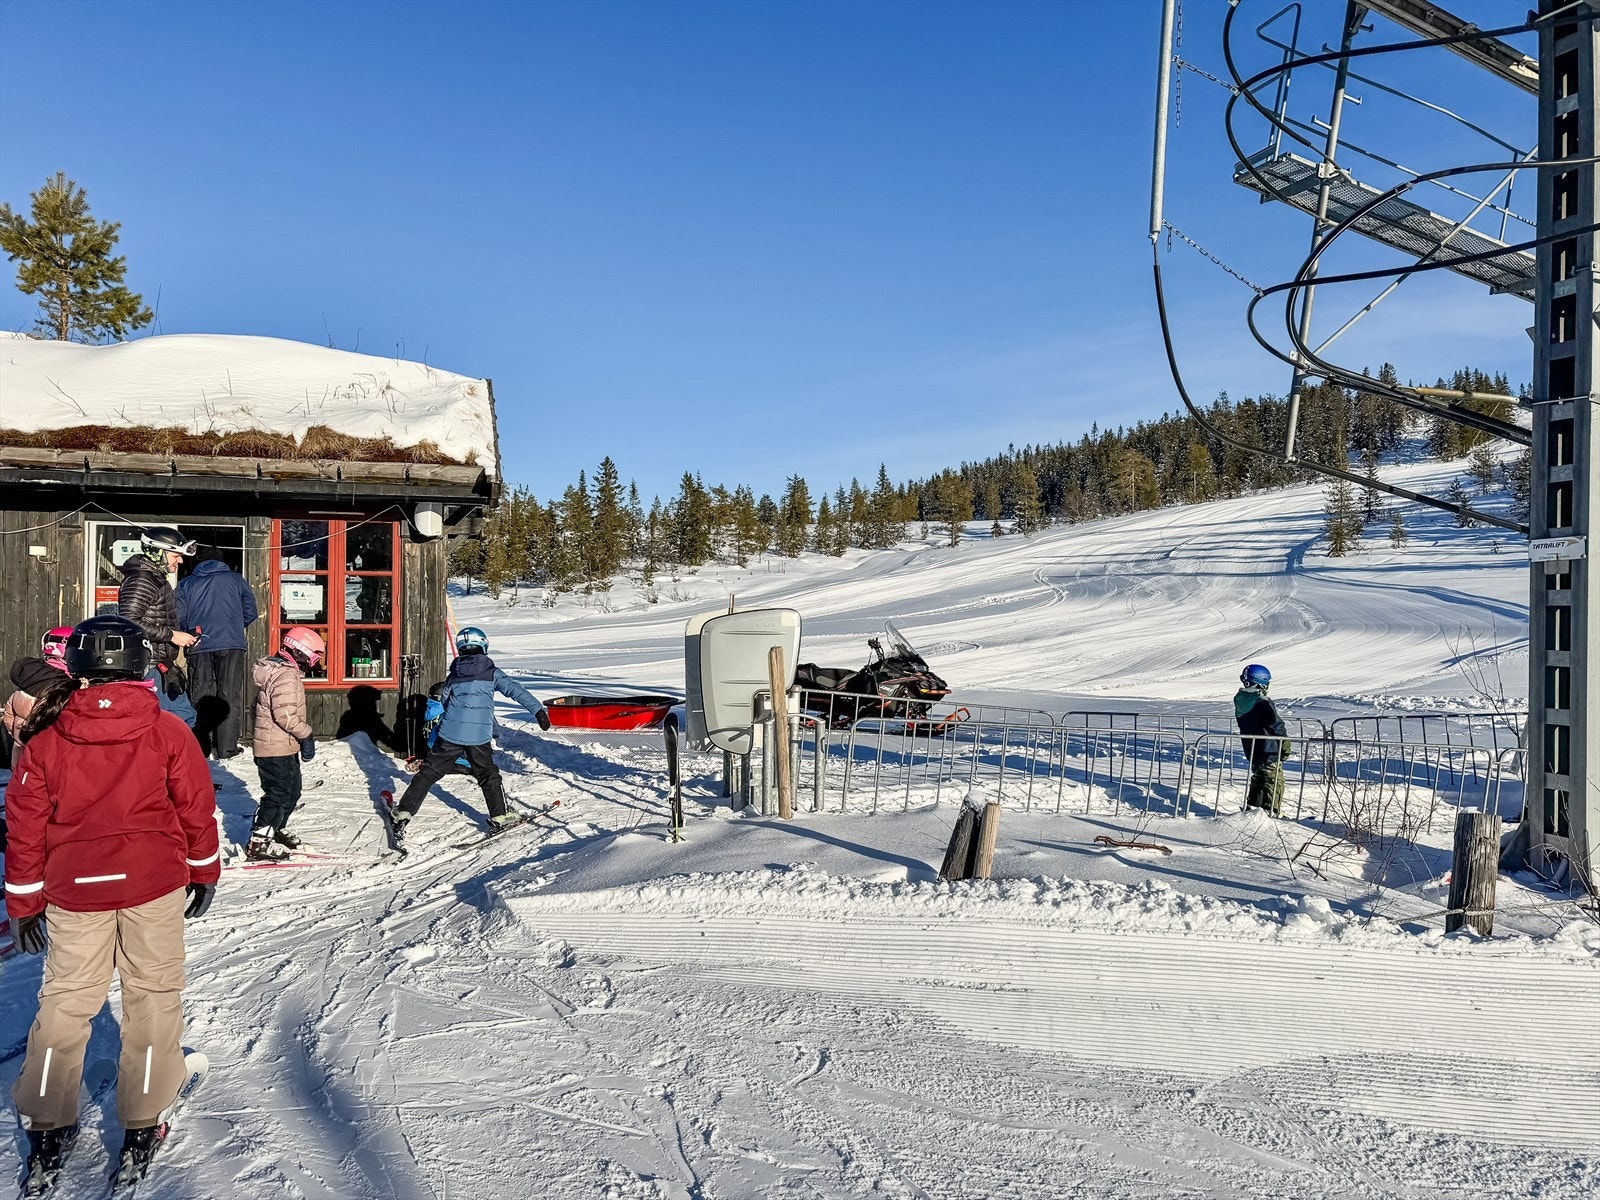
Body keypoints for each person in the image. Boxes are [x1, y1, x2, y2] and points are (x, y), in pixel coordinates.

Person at [2, 616, 220, 1190]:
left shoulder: (46, 739)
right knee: (151, 998)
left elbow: (23, 827)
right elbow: (196, 806)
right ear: (141, 666)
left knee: (67, 1003)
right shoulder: (169, 731)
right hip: (152, 885)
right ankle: (143, 1120)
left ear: (74, 668)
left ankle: (47, 1126)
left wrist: (23, 901)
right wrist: (203, 868)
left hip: (76, 892)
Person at [388, 627, 550, 845]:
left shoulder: (454, 676)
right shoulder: (492, 672)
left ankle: (403, 813)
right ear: (483, 645)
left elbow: (444, 703)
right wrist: (538, 711)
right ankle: (500, 816)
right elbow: (516, 690)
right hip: (478, 737)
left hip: (449, 734)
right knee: (488, 775)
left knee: (428, 773)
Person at [247, 626, 323, 861]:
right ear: (301, 652)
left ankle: (275, 829)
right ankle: (259, 842)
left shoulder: (282, 673)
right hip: (274, 748)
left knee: (292, 791)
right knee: (278, 794)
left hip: (282, 745)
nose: (316, 663)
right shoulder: (285, 676)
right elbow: (286, 716)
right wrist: (306, 735)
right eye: (315, 657)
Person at [175, 554, 260, 759]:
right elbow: (251, 610)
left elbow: (179, 617)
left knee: (201, 695)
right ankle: (227, 748)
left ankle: (202, 746)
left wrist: (190, 633)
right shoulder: (236, 579)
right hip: (232, 644)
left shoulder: (185, 583)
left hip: (199, 643)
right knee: (229, 695)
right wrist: (233, 628)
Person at [118, 527, 200, 730]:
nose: (180, 561)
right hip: (149, 665)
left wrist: (181, 635)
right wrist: (172, 635)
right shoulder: (141, 579)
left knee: (179, 717)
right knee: (177, 718)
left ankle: (163, 759)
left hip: (160, 662)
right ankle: (161, 759)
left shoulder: (154, 578)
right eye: (175, 555)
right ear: (157, 552)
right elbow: (128, 621)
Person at [1, 628, 72, 764]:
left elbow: (9, 720)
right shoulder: (68, 687)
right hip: (54, 762)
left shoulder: (26, 681)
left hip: (22, 760)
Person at [1234, 663, 1288, 817]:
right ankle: (1272, 811)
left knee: (1258, 777)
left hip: (1252, 748)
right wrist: (1285, 744)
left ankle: (1253, 808)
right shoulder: (1263, 702)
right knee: (1274, 779)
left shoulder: (1240, 700)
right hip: (1268, 749)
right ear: (1261, 683)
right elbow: (1276, 725)